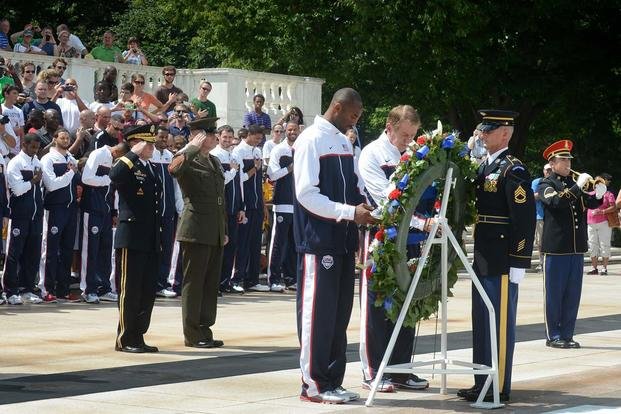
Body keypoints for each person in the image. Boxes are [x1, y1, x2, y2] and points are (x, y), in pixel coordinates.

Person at [294, 87, 374, 404]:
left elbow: (353, 189)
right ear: (337, 107)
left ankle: (332, 380)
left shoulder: (343, 141)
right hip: (318, 241)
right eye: (353, 115)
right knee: (318, 314)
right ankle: (313, 383)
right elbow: (306, 193)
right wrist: (348, 212)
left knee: (339, 316)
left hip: (342, 241)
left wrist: (367, 210)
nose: (355, 121)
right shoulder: (311, 139)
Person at [457, 109, 535, 403]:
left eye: (488, 130)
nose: (482, 134)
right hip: (483, 257)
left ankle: (498, 385)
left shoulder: (512, 169)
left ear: (505, 133)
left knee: (499, 323)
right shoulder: (485, 166)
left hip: (502, 258)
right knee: (482, 321)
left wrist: (519, 261)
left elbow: (524, 219)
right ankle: (482, 381)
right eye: (482, 129)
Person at [357, 105, 432, 393]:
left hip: (411, 239)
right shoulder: (372, 154)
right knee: (377, 306)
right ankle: (374, 370)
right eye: (404, 135)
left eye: (413, 135)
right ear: (389, 126)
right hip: (381, 236)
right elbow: (388, 201)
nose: (408, 141)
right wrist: (421, 222)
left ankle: (400, 369)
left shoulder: (413, 154)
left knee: (407, 302)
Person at [539, 140, 603, 349]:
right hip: (556, 249)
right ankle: (554, 335)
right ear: (553, 163)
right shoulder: (546, 184)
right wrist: (578, 185)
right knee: (554, 295)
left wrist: (599, 194)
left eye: (568, 159)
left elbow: (589, 203)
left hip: (575, 249)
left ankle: (567, 333)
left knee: (572, 295)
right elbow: (557, 203)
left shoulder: (571, 186)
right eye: (563, 159)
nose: (568, 163)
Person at [169, 118, 227, 348]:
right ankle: (192, 334)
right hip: (195, 229)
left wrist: (224, 230)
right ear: (199, 136)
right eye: (210, 134)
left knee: (210, 283)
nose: (214, 138)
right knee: (194, 284)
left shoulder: (213, 161)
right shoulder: (188, 159)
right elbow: (175, 169)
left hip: (214, 230)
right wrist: (191, 147)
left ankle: (205, 329)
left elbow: (220, 200)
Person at [110, 124, 161, 353]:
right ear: (135, 143)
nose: (152, 147)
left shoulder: (148, 167)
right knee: (129, 290)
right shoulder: (128, 164)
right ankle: (125, 337)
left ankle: (138, 335)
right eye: (147, 143)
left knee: (146, 289)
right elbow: (115, 175)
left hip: (149, 236)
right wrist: (132, 153)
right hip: (131, 236)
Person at [80, 141, 127, 303]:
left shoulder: (115, 160)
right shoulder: (98, 154)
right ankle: (88, 289)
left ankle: (103, 288)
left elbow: (114, 190)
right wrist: (107, 179)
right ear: (116, 152)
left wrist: (114, 211)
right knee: (90, 250)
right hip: (92, 209)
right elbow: (86, 178)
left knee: (105, 251)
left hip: (106, 212)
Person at [38, 128, 79, 302]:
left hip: (70, 209)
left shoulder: (70, 158)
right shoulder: (48, 158)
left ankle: (63, 289)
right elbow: (52, 185)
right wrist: (70, 173)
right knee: (50, 250)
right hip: (55, 208)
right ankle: (46, 288)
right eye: (62, 137)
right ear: (55, 139)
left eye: (68, 138)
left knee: (67, 250)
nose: (65, 140)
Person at [3, 133, 44, 305]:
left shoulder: (37, 162)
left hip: (35, 216)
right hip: (19, 215)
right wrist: (33, 180)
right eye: (32, 147)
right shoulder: (15, 163)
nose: (35, 151)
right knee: (14, 254)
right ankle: (10, 291)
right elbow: (17, 189)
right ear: (24, 146)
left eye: (37, 148)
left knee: (32, 253)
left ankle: (27, 288)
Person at [231, 124, 269, 292]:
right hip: (245, 204)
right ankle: (238, 279)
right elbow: (240, 179)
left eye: (261, 139)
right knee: (243, 244)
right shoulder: (239, 152)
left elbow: (259, 182)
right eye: (257, 138)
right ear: (249, 135)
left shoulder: (257, 151)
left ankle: (252, 280)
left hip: (257, 204)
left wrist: (263, 204)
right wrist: (254, 168)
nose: (259, 141)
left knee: (255, 243)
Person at [210, 125, 245, 294]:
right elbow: (220, 182)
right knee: (219, 248)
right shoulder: (215, 155)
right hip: (220, 209)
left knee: (231, 248)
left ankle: (225, 282)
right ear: (218, 136)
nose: (228, 140)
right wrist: (232, 171)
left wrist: (241, 206)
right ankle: (214, 284)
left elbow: (239, 185)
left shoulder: (235, 155)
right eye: (225, 137)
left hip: (233, 208)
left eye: (230, 138)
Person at [150, 126, 183, 298]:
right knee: (152, 248)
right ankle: (150, 283)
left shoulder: (171, 158)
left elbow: (177, 187)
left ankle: (162, 283)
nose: (163, 141)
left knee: (167, 248)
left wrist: (180, 208)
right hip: (152, 211)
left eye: (165, 138)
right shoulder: (149, 156)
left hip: (168, 211)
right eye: (160, 137)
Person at [266, 121, 299, 292]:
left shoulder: (302, 148)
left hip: (298, 205)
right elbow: (272, 174)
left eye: (295, 129)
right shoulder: (279, 150)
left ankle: (291, 278)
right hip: (282, 203)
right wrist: (290, 168)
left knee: (294, 244)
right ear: (285, 131)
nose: (292, 132)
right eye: (289, 130)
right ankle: (274, 278)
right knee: (279, 242)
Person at [586, 173, 615, 275]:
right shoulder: (590, 194)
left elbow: (613, 207)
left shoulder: (608, 194)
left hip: (604, 222)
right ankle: (594, 268)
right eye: (596, 183)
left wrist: (602, 211)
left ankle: (604, 268)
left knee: (604, 245)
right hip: (590, 222)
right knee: (592, 245)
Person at [531, 163, 552, 272]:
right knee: (540, 242)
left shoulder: (556, 182)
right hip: (540, 216)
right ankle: (541, 262)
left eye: (550, 170)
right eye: (547, 170)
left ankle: (549, 263)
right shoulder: (537, 182)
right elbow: (531, 196)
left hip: (552, 216)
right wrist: (544, 193)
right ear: (543, 171)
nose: (548, 172)